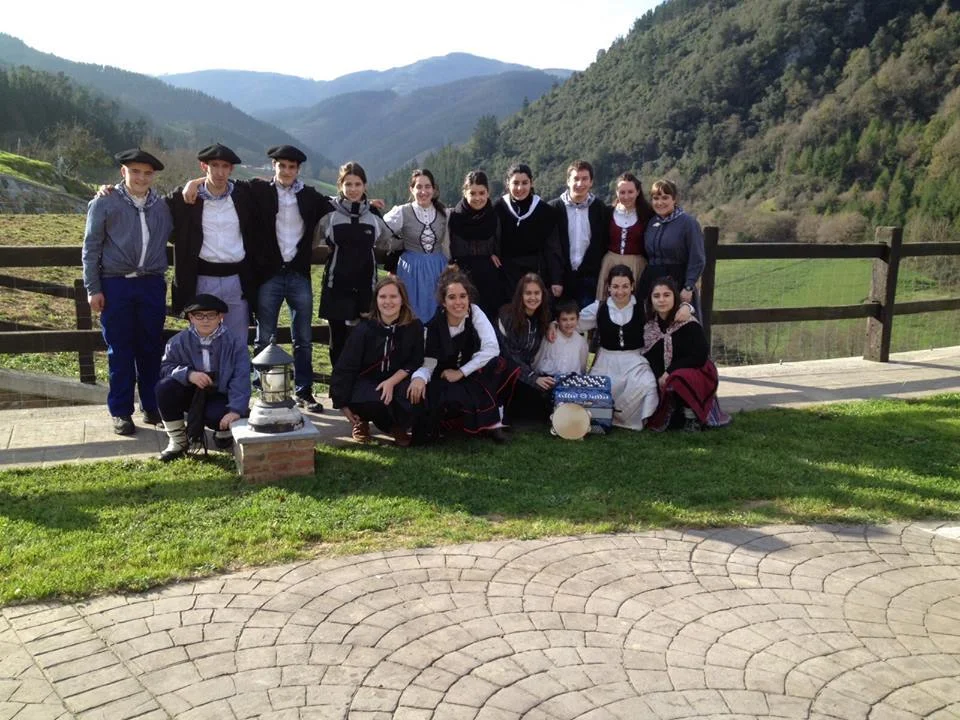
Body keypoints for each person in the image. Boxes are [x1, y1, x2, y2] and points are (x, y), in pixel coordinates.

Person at [82, 148, 172, 435]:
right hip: (116, 283)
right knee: (120, 349)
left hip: (151, 284)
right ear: (123, 172)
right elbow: (91, 247)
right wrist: (93, 288)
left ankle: (152, 406)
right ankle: (121, 411)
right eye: (135, 171)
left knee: (151, 347)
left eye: (147, 173)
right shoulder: (104, 202)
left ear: (153, 176)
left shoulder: (161, 206)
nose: (141, 178)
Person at [409, 268, 519, 443]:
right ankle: (462, 423)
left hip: (470, 370)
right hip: (445, 375)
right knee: (448, 394)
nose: (458, 302)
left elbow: (492, 348)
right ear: (443, 302)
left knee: (499, 365)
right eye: (452, 297)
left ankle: (494, 422)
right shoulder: (433, 327)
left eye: (463, 296)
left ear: (469, 298)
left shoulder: (474, 312)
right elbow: (429, 362)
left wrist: (462, 372)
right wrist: (419, 378)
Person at [167, 143, 259, 345]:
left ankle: (235, 368)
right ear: (204, 166)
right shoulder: (185, 198)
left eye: (225, 166)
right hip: (202, 280)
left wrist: (195, 181)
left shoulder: (243, 195)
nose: (220, 172)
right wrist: (110, 190)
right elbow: (151, 207)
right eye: (214, 165)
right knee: (203, 341)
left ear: (231, 169)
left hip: (237, 281)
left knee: (237, 342)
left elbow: (271, 188)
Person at [154, 294, 251, 461]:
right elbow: (165, 368)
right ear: (191, 318)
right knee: (164, 388)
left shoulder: (235, 343)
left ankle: (224, 430)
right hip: (191, 393)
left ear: (221, 317)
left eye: (211, 315)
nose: (205, 320)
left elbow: (241, 377)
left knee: (219, 416)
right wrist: (188, 374)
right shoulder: (178, 341)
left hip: (220, 394)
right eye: (199, 315)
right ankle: (178, 441)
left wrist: (235, 410)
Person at [317, 161, 395, 367]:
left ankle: (362, 383)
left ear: (365, 186)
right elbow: (312, 237)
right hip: (336, 285)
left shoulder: (373, 215)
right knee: (338, 341)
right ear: (340, 185)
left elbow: (388, 241)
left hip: (366, 286)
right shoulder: (329, 213)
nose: (353, 189)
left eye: (357, 184)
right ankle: (339, 384)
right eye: (348, 184)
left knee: (366, 338)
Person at [330, 277, 424, 446]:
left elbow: (416, 360)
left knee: (411, 393)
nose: (388, 301)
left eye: (393, 296)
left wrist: (391, 382)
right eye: (383, 296)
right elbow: (346, 366)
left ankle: (397, 426)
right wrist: (342, 403)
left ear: (402, 299)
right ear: (376, 300)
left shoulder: (414, 326)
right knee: (372, 398)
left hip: (399, 378)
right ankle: (362, 421)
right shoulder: (364, 329)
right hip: (368, 381)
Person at [643, 277, 731, 431]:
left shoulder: (688, 322)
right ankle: (674, 413)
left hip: (697, 370)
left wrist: (669, 372)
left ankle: (692, 417)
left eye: (666, 295)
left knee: (678, 377)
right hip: (667, 374)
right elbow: (650, 357)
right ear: (651, 300)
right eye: (656, 296)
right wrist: (660, 376)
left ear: (674, 297)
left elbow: (699, 356)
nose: (661, 300)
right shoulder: (650, 328)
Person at [577, 265, 659, 430]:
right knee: (597, 389)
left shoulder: (643, 307)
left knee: (647, 384)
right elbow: (574, 323)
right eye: (615, 286)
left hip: (635, 360)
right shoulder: (599, 308)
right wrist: (554, 325)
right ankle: (605, 418)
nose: (620, 292)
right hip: (606, 360)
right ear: (608, 287)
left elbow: (668, 311)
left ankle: (635, 420)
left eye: (625, 286)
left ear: (632, 286)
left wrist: (688, 307)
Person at [382, 169, 449, 322]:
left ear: (434, 189)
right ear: (411, 189)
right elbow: (380, 231)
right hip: (410, 270)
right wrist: (398, 243)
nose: (423, 191)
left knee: (438, 314)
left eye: (427, 187)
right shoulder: (402, 212)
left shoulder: (444, 213)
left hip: (438, 269)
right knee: (411, 313)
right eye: (419, 187)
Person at [493, 163, 563, 307]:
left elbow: (553, 248)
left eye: (525, 183)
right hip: (506, 274)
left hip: (536, 271)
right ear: (507, 183)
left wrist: (556, 279)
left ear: (532, 183)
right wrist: (491, 252)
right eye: (515, 183)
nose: (520, 188)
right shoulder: (498, 208)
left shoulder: (545, 211)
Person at [639, 178, 706, 313]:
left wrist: (688, 286)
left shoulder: (688, 223)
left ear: (674, 199)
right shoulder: (651, 223)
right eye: (656, 198)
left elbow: (697, 258)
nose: (660, 202)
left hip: (678, 283)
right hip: (652, 282)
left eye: (665, 198)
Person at [548, 161, 608, 309]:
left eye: (585, 179)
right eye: (576, 179)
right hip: (561, 279)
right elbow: (550, 248)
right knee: (561, 320)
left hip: (589, 278)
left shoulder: (600, 208)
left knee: (587, 320)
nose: (580, 183)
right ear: (568, 181)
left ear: (591, 182)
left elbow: (603, 242)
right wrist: (555, 278)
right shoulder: (553, 209)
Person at [496, 273, 555, 422]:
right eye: (528, 293)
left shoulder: (541, 316)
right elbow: (509, 356)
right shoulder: (507, 316)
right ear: (520, 295)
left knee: (549, 392)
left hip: (526, 370)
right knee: (538, 403)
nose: (533, 297)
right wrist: (533, 378)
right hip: (505, 373)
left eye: (537, 293)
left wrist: (552, 324)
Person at [447, 170, 505, 319]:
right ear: (465, 193)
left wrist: (494, 254)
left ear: (488, 193)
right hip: (462, 279)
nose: (477, 198)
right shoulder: (454, 217)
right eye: (472, 193)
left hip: (489, 279)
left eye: (482, 193)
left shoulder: (494, 217)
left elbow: (499, 245)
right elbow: (449, 247)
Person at [596, 172, 654, 302]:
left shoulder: (647, 214)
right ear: (616, 192)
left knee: (635, 302)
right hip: (610, 263)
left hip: (637, 265)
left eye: (630, 192)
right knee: (607, 302)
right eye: (622, 192)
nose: (626, 196)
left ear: (638, 192)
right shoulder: (608, 212)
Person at [535, 299, 588, 376]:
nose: (569, 323)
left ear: (577, 319)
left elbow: (583, 366)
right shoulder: (550, 336)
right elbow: (538, 360)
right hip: (549, 378)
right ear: (557, 320)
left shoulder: (581, 342)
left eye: (572, 319)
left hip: (570, 379)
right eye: (564, 319)